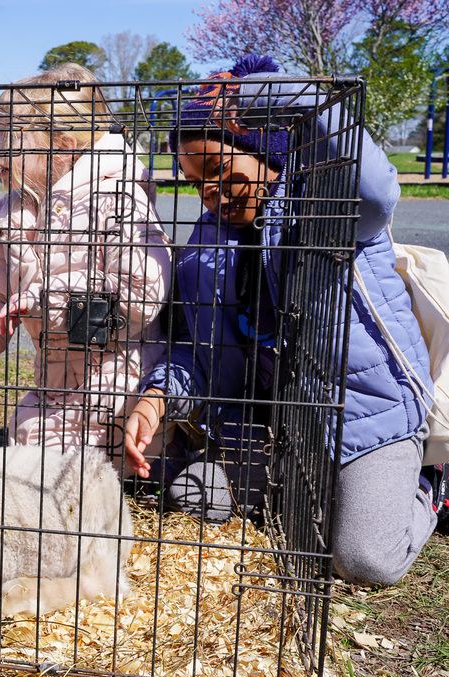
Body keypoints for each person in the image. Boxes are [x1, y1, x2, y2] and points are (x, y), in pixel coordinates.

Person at [124, 54, 446, 585]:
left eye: (219, 170)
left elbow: (377, 188)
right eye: (194, 180)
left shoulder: (329, 205)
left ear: (265, 152)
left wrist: (278, 92)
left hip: (361, 418)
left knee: (365, 559)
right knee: (191, 496)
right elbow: (198, 354)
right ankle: (299, 490)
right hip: (271, 428)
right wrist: (157, 397)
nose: (209, 191)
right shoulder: (202, 249)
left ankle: (430, 481)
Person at [0, 63, 171, 458]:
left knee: (44, 459)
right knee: (25, 433)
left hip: (121, 392)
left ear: (62, 145)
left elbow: (141, 298)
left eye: (12, 137)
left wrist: (48, 299)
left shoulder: (119, 200)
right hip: (55, 388)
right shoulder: (16, 213)